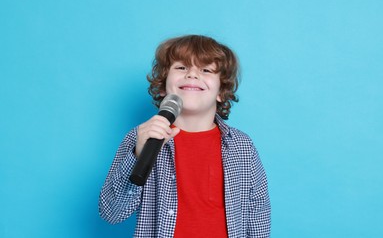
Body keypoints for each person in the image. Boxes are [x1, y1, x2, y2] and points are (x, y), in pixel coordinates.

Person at [99, 35, 271, 237]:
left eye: (205, 70)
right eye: (181, 67)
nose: (192, 75)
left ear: (221, 92)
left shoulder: (242, 146)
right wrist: (137, 155)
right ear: (163, 86)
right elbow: (111, 213)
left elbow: (258, 213)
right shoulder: (141, 138)